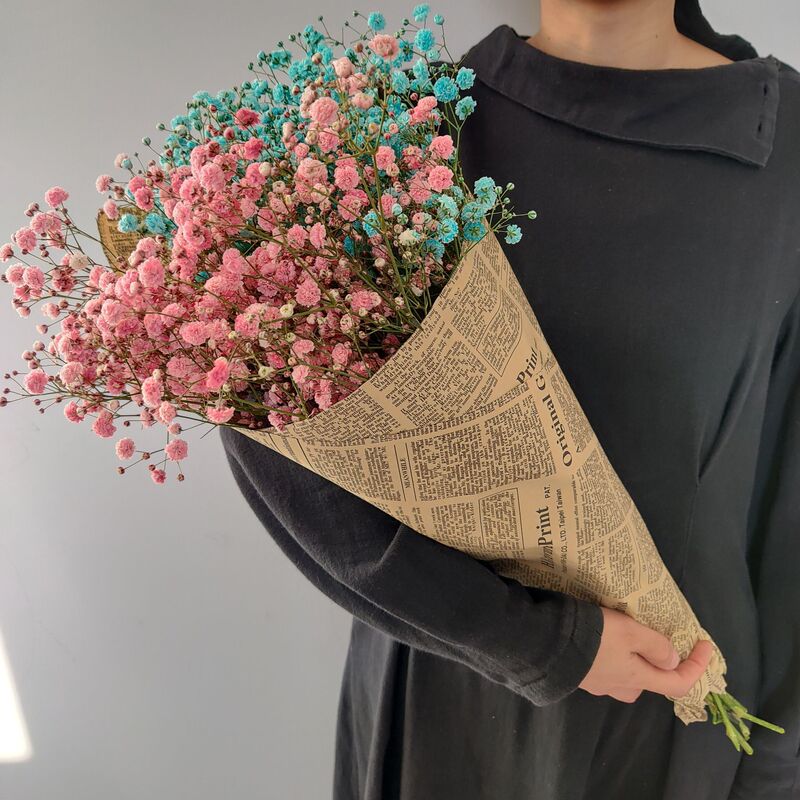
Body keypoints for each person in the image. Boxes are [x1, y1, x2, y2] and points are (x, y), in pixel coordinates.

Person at [220, 1, 800, 797]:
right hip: (440, 705)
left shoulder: (787, 150)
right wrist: (534, 642)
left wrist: (776, 764)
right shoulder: (398, 127)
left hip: (671, 716)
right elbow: (272, 435)